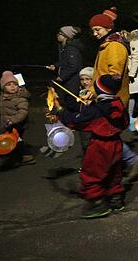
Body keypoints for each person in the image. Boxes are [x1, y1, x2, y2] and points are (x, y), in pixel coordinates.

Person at [51, 74, 129, 218]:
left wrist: (60, 111)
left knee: (92, 172)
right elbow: (124, 123)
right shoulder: (118, 104)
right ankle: (115, 198)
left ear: (99, 91)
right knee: (114, 172)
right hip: (116, 143)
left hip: (99, 145)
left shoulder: (96, 111)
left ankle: (97, 202)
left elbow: (76, 121)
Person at [88, 8, 130, 105]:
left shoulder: (114, 46)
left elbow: (114, 77)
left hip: (113, 102)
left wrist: (94, 91)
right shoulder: (105, 45)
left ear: (108, 28)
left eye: (97, 30)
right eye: (92, 31)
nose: (94, 34)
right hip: (103, 97)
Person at [0, 71, 33, 168]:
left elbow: (23, 112)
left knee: (16, 139)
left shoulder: (20, 99)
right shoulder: (1, 98)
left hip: (18, 124)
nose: (13, 87)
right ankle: (13, 154)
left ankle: (25, 156)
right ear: (3, 87)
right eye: (9, 85)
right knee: (14, 139)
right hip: (6, 123)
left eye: (15, 84)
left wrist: (13, 120)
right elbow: (0, 109)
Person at [46, 26, 84, 105]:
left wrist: (62, 77)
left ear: (66, 36)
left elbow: (73, 66)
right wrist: (55, 66)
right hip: (68, 83)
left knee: (70, 104)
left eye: (60, 34)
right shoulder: (65, 48)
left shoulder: (71, 49)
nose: (57, 35)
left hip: (72, 84)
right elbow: (64, 62)